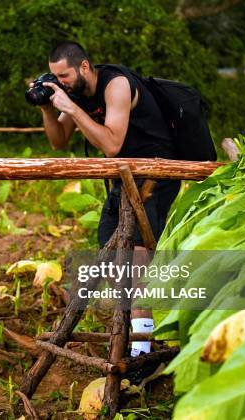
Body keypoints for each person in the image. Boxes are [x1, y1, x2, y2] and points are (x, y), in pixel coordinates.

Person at [36, 41, 181, 357]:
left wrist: (71, 109)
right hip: (123, 179)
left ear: (84, 67)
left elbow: (112, 144)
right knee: (115, 256)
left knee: (137, 262)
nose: (60, 83)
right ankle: (133, 339)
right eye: (54, 77)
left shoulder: (115, 85)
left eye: (64, 76)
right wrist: (49, 108)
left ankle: (142, 351)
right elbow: (58, 141)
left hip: (154, 174)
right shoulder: (76, 95)